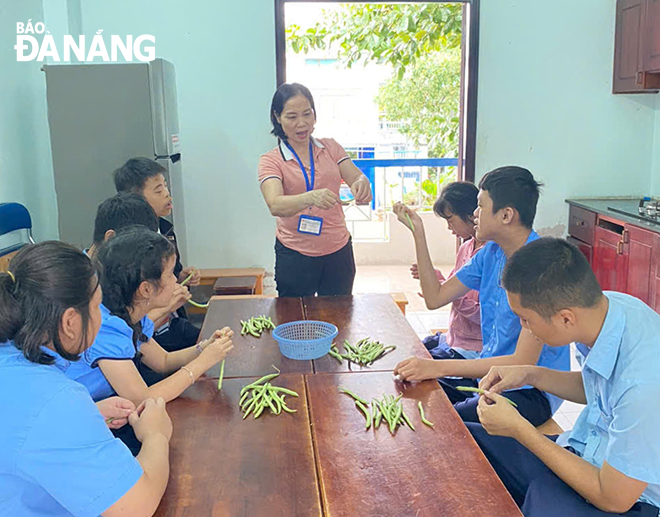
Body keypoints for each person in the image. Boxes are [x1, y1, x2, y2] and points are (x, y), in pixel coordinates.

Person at [468, 238, 660, 517]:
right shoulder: (607, 311)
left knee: (543, 502)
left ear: (565, 318)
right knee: (474, 440)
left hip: (632, 498)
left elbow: (614, 499)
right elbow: (599, 391)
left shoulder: (644, 385)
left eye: (525, 319)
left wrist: (522, 430)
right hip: (585, 452)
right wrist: (530, 373)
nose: (524, 328)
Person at [0, 241, 171, 516]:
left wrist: (86, 414)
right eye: (96, 307)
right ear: (70, 322)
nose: (101, 319)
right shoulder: (55, 400)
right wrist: (156, 435)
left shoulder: (11, 357)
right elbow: (135, 507)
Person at [393, 166, 569, 426]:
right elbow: (435, 297)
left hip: (529, 393)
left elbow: (521, 362)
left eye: (481, 206)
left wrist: (437, 366)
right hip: (488, 380)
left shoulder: (540, 268)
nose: (475, 214)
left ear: (506, 215)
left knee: (443, 422)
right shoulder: (490, 254)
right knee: (414, 391)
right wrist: (418, 233)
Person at [258, 82, 373, 297]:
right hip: (294, 255)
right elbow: (275, 204)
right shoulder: (271, 160)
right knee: (296, 320)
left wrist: (362, 182)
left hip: (338, 251)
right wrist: (311, 197)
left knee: (339, 318)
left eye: (307, 114)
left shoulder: (330, 147)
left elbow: (355, 176)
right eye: (292, 117)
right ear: (277, 117)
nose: (301, 123)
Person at [113, 157, 200, 350]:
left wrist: (181, 277)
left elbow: (167, 280)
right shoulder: (133, 249)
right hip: (152, 339)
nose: (167, 195)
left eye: (166, 187)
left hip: (174, 323)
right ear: (136, 199)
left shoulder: (166, 229)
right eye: (158, 190)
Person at [88, 192, 193, 348]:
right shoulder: (88, 288)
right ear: (111, 239)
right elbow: (126, 332)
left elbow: (142, 340)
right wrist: (165, 306)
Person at [410, 182, 483, 358]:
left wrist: (447, 294)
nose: (449, 227)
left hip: (475, 347)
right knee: (411, 348)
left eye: (450, 220)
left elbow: (485, 316)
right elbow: (451, 285)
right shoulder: (466, 248)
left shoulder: (492, 254)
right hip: (455, 338)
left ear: (470, 214)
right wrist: (434, 279)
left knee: (417, 369)